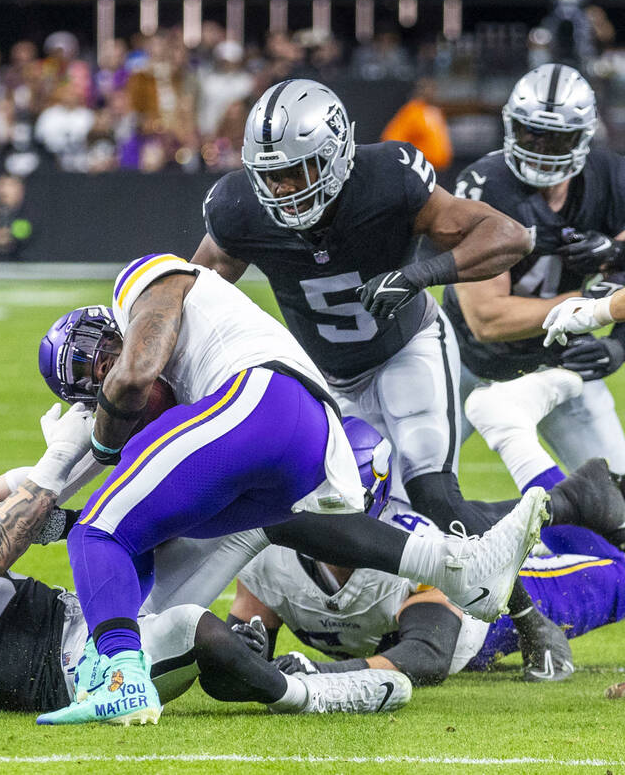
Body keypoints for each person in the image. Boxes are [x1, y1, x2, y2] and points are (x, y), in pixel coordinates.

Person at [33, 254, 544, 726]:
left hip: (260, 393)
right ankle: (455, 567)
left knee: (97, 536)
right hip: (309, 435)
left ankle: (121, 678)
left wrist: (90, 451)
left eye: (96, 357)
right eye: (85, 381)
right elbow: (159, 526)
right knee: (235, 533)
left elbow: (133, 375)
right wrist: (61, 518)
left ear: (115, 322)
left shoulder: (142, 283)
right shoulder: (181, 395)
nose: (102, 376)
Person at [192, 77, 567, 676]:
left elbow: (509, 235)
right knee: (319, 493)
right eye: (273, 175)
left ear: (338, 154)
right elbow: (195, 291)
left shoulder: (388, 178)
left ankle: (530, 618)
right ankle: (282, 613)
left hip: (406, 349)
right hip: (323, 370)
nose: (284, 189)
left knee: (431, 492)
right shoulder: (238, 206)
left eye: (299, 170)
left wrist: (421, 274)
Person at [0, 410, 415, 717]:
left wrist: (101, 429)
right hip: (50, 678)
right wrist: (58, 466)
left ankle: (431, 561)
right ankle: (314, 694)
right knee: (188, 629)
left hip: (79, 621)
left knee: (249, 508)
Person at [233, 375, 625, 685]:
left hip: (511, 595)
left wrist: (320, 675)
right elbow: (245, 647)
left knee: (621, 571)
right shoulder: (272, 554)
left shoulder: (414, 551)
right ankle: (532, 451)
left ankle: (512, 433)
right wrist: (241, 654)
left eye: (342, 505)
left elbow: (428, 654)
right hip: (458, 550)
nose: (329, 520)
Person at [448, 65, 625, 493]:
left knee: (617, 506)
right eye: (532, 133)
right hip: (466, 363)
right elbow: (487, 319)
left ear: (583, 137)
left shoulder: (609, 176)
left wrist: (620, 342)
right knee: (394, 490)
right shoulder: (484, 185)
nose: (542, 148)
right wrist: (590, 306)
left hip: (556, 363)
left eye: (557, 137)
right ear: (512, 127)